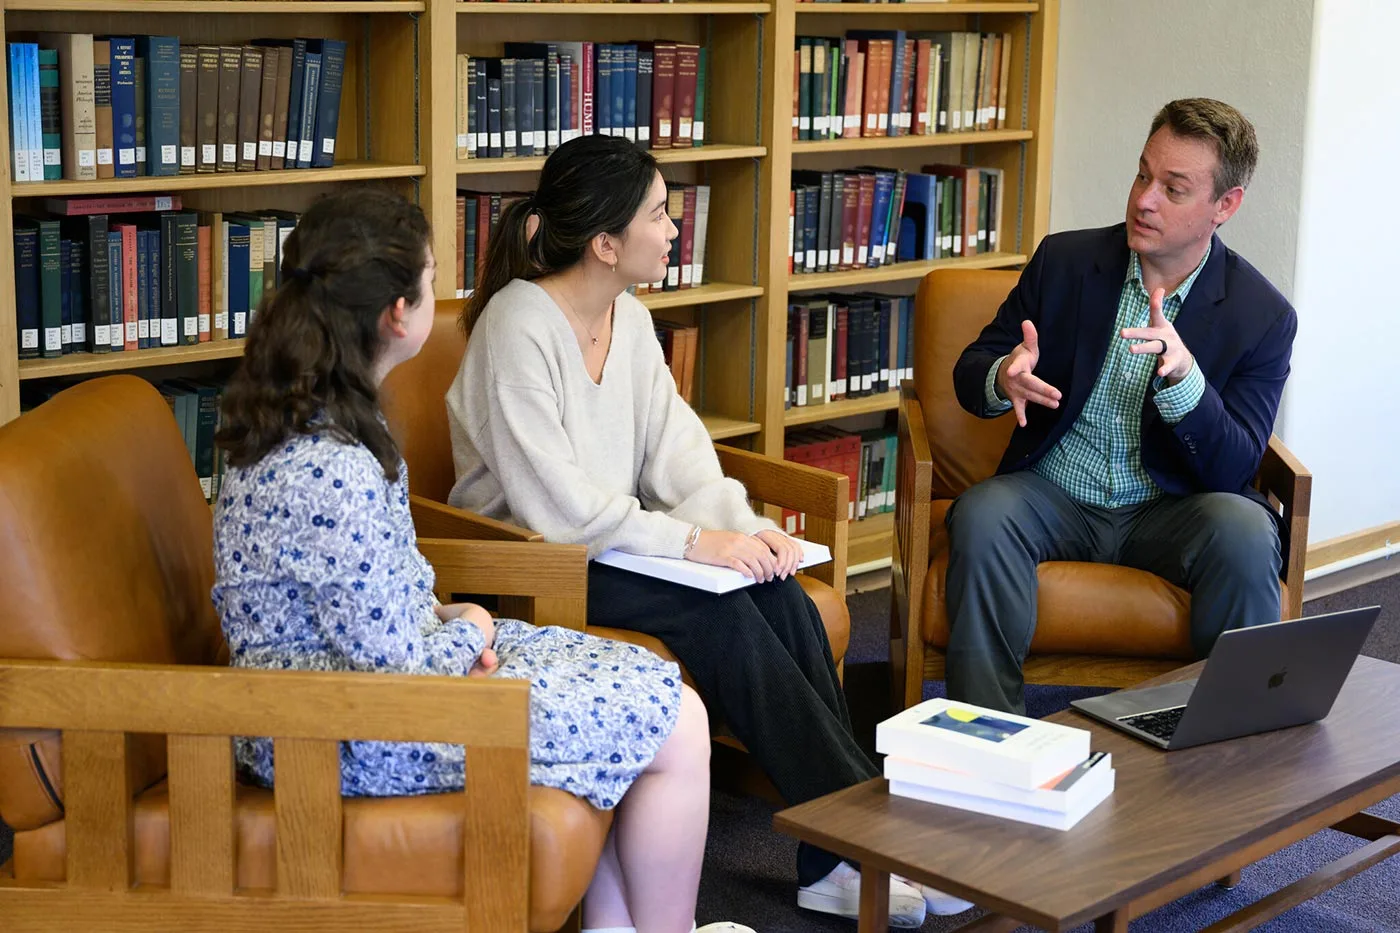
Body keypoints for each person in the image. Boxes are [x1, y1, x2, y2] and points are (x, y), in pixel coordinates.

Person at [444, 134, 972, 928]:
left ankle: (830, 859)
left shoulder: (626, 314)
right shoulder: (517, 326)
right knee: (719, 612)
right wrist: (695, 545)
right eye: (659, 215)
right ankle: (875, 834)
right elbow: (554, 507)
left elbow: (681, 456)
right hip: (528, 562)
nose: (673, 231)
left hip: (608, 545)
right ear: (605, 242)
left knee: (778, 592)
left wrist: (748, 533)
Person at [210, 187, 753, 933]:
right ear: (397, 315)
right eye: (433, 281)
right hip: (344, 728)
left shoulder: (302, 412)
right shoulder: (330, 466)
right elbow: (389, 670)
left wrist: (448, 614)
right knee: (680, 721)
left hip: (344, 697)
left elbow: (357, 598)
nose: (443, 297)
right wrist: (471, 630)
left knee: (641, 682)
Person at [946, 98, 1296, 715]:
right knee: (983, 514)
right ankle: (986, 739)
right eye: (1142, 175)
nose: (1144, 199)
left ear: (1225, 206)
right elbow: (973, 366)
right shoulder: (1066, 262)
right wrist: (1004, 376)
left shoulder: (1261, 316)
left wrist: (1185, 378)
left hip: (1172, 511)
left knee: (1245, 530)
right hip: (1054, 496)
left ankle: (1235, 750)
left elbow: (1232, 467)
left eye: (1173, 188)